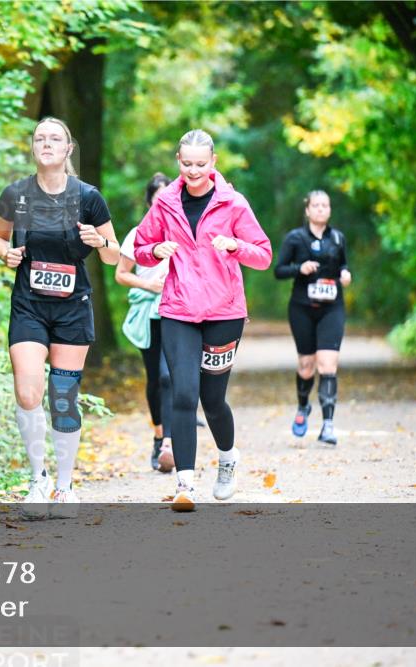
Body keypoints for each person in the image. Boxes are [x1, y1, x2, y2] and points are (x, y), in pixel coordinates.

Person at [132, 129, 272, 511]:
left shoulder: (233, 203)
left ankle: (228, 459)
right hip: (178, 309)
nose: (193, 171)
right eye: (187, 163)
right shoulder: (165, 201)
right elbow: (140, 249)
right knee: (182, 393)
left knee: (212, 400)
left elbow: (263, 255)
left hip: (224, 313)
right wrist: (156, 249)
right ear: (178, 160)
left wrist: (235, 245)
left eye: (201, 164)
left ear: (213, 163)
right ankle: (185, 484)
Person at [0, 117, 119, 519]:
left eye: (55, 139)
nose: (46, 144)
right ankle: (38, 479)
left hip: (72, 306)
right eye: (40, 138)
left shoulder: (88, 197)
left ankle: (65, 486)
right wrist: (5, 253)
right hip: (29, 303)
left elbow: (115, 254)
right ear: (33, 148)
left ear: (68, 149)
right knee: (29, 392)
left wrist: (99, 241)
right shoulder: (15, 194)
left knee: (63, 398)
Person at [274, 190, 351, 445]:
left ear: (329, 210)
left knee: (327, 364)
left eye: (325, 205)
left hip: (332, 308)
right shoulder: (295, 238)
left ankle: (328, 425)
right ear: (307, 210)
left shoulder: (338, 237)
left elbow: (343, 265)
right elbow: (279, 270)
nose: (320, 209)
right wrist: (300, 268)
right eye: (315, 205)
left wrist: (345, 273)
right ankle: (303, 406)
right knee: (306, 366)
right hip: (302, 308)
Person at [116, 172, 175, 473]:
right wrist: (148, 285)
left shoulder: (182, 230)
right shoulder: (138, 233)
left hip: (176, 310)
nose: (162, 204)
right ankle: (157, 435)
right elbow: (120, 274)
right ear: (150, 202)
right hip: (147, 311)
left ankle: (169, 442)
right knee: (155, 378)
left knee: (169, 377)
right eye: (157, 199)